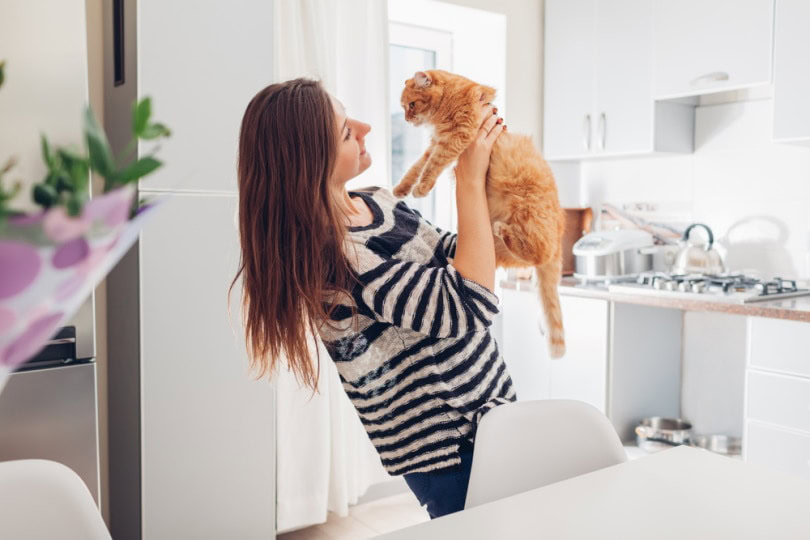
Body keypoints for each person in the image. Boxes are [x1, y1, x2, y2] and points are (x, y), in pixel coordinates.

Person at [232, 78, 516, 519]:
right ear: (312, 162)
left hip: (493, 409)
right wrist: (467, 182)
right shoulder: (337, 259)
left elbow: (453, 255)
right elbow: (470, 303)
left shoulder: (378, 202)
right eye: (346, 131)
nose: (366, 128)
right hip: (452, 442)